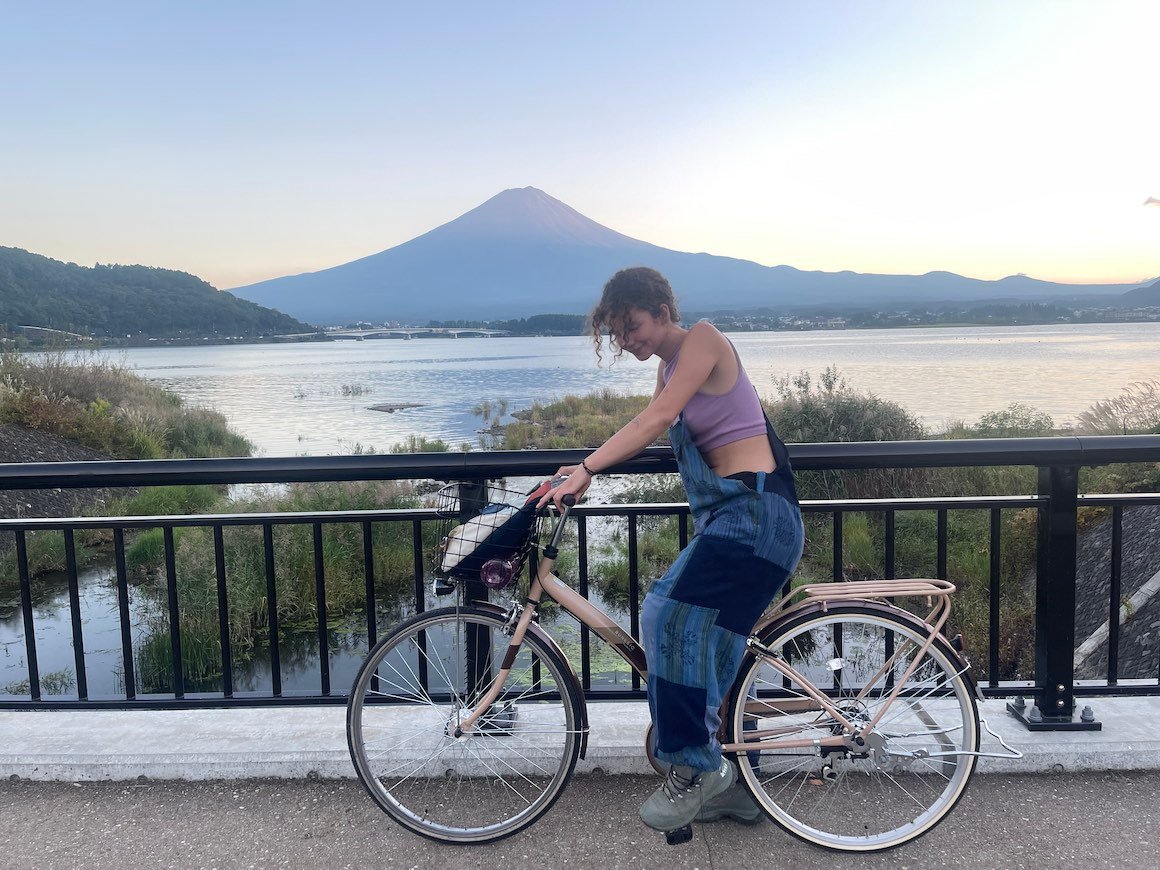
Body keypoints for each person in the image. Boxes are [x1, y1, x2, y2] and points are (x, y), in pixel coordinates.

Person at [541, 266, 805, 833]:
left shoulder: (704, 340)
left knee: (666, 613)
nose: (626, 340)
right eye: (617, 333)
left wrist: (588, 469)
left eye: (631, 326)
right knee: (716, 654)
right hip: (736, 522)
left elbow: (658, 418)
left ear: (662, 311)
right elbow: (650, 426)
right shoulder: (667, 369)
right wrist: (582, 467)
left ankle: (693, 770)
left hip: (753, 517)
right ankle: (737, 790)